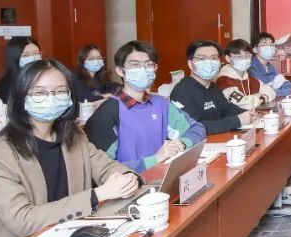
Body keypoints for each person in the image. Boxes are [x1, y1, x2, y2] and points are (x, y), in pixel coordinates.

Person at [0, 59, 142, 237]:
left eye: (60, 91)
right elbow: (22, 220)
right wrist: (97, 195)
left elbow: (106, 166)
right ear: (20, 97)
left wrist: (128, 177)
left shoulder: (73, 135)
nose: (51, 98)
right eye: (39, 92)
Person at [84, 40, 205, 172]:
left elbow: (197, 129)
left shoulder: (161, 104)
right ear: (120, 71)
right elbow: (103, 170)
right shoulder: (106, 114)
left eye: (148, 64)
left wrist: (181, 143)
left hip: (164, 176)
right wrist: (155, 159)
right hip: (131, 182)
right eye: (135, 65)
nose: (143, 69)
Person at [170, 40, 253, 135]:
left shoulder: (213, 87)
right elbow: (193, 127)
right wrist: (238, 120)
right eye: (202, 58)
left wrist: (249, 114)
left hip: (221, 139)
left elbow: (229, 110)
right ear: (190, 64)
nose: (209, 62)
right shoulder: (182, 91)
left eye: (213, 58)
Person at [216, 39, 276, 111]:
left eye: (247, 55)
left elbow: (271, 91)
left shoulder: (249, 77)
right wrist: (260, 98)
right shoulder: (223, 80)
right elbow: (243, 103)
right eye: (238, 56)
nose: (243, 59)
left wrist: (258, 97)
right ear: (228, 58)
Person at [0, 36, 42, 105]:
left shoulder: (45, 76)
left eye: (36, 53)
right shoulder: (6, 85)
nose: (32, 57)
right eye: (25, 55)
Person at [249, 32, 291, 98]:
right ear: (255, 49)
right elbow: (262, 91)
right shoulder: (251, 68)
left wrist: (275, 91)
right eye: (264, 44)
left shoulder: (270, 66)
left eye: (271, 44)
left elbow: (285, 84)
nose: (269, 47)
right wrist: (287, 91)